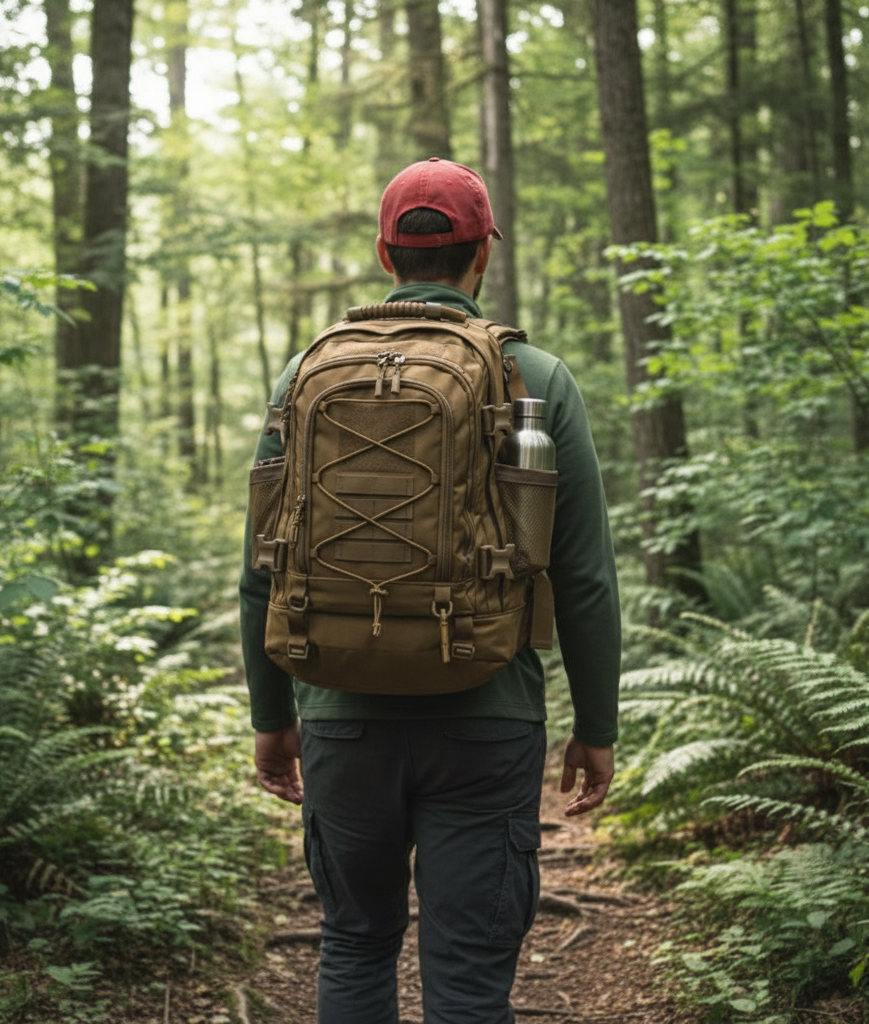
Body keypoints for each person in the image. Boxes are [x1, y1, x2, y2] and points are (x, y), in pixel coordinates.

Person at [239, 157, 620, 1024]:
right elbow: (585, 577)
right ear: (482, 252)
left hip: (340, 712)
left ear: (386, 255)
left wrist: (273, 720)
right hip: (488, 716)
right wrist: (596, 728)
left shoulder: (303, 376)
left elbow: (260, 566)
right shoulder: (539, 379)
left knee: (355, 943)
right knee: (469, 980)